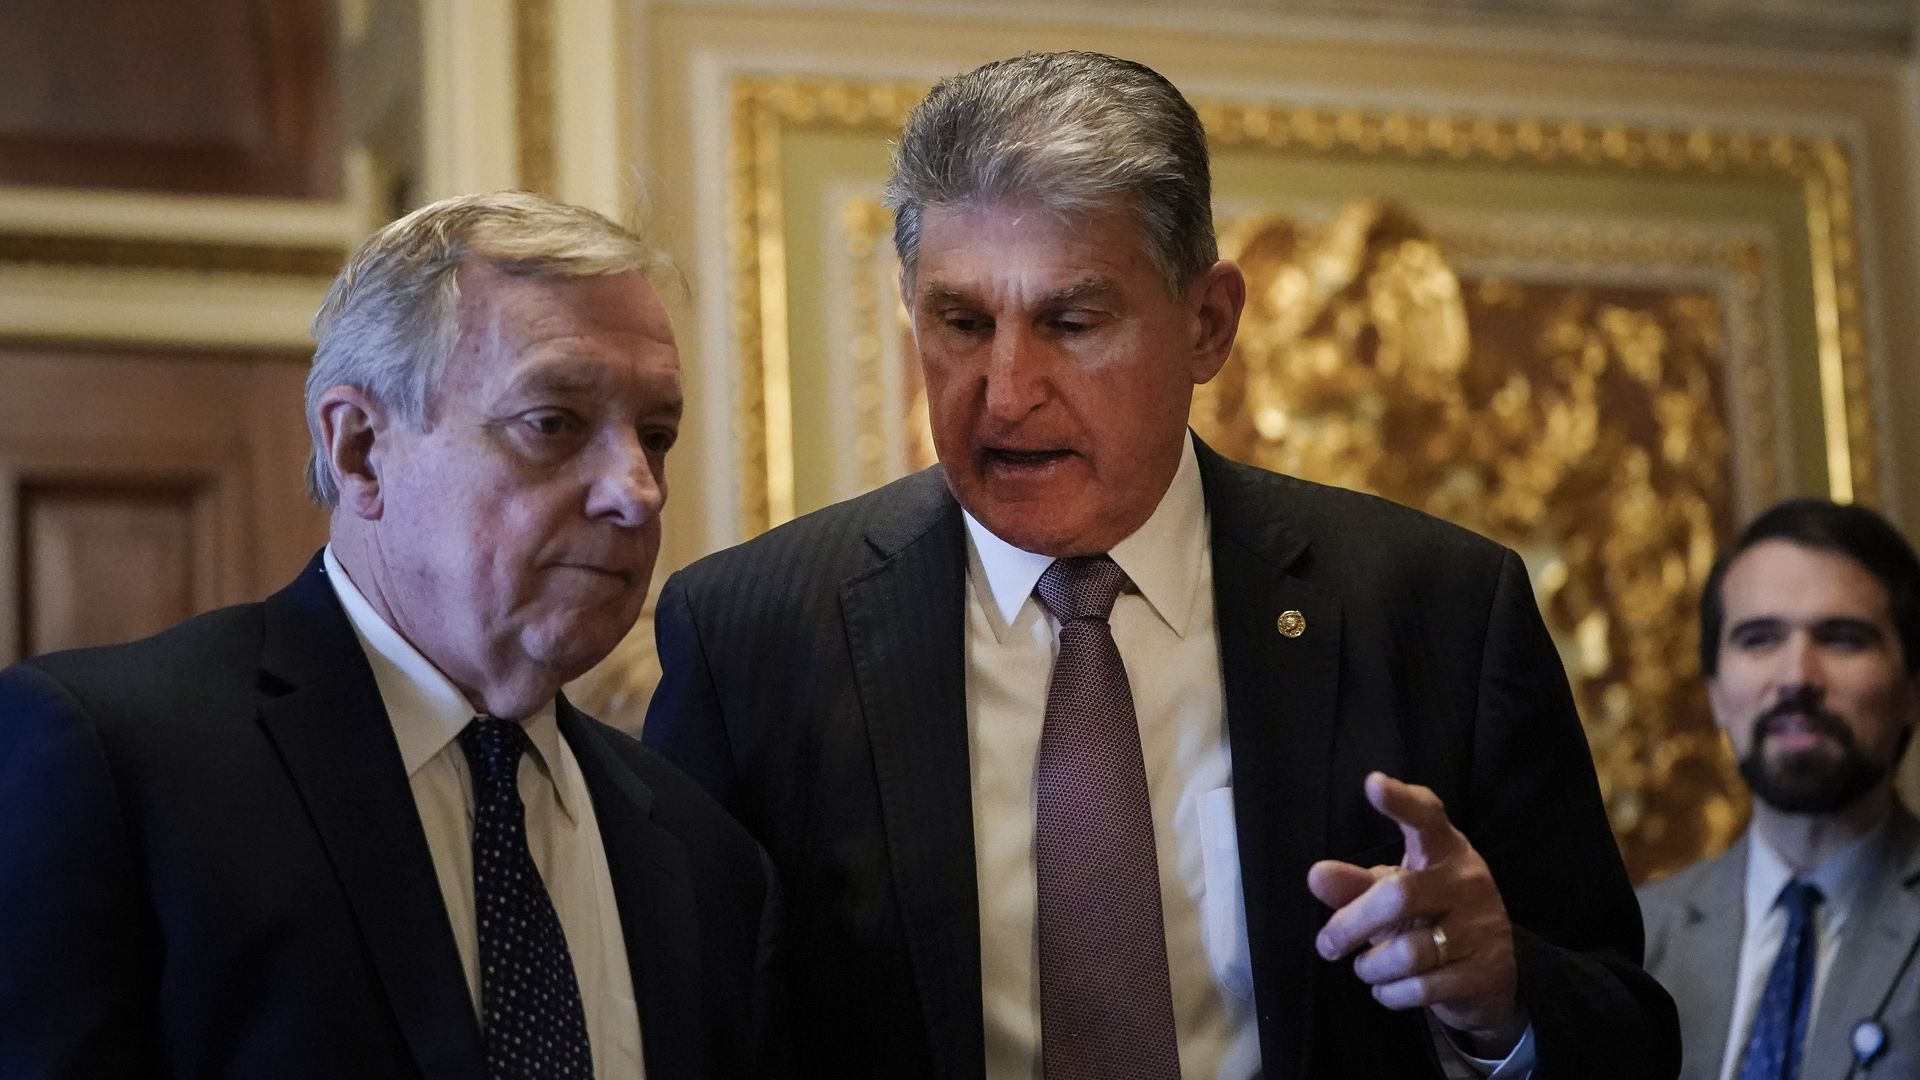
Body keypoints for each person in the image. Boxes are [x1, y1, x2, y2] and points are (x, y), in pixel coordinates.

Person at [643, 51, 1676, 1079]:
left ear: (1208, 324)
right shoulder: (750, 636)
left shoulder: (1438, 608)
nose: (1005, 392)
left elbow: (1629, 1035)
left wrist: (1502, 1001)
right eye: (961, 323)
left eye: (1070, 323)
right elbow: (679, 1036)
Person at [0, 191, 783, 1079]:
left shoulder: (702, 855)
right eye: (554, 424)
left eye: (656, 434)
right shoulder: (114, 765)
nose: (636, 490)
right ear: (361, 449)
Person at [1640, 498, 1920, 1080]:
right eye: (1759, 638)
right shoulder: (1638, 942)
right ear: (1716, 694)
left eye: (1843, 638)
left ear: (1913, 689)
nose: (1796, 677)